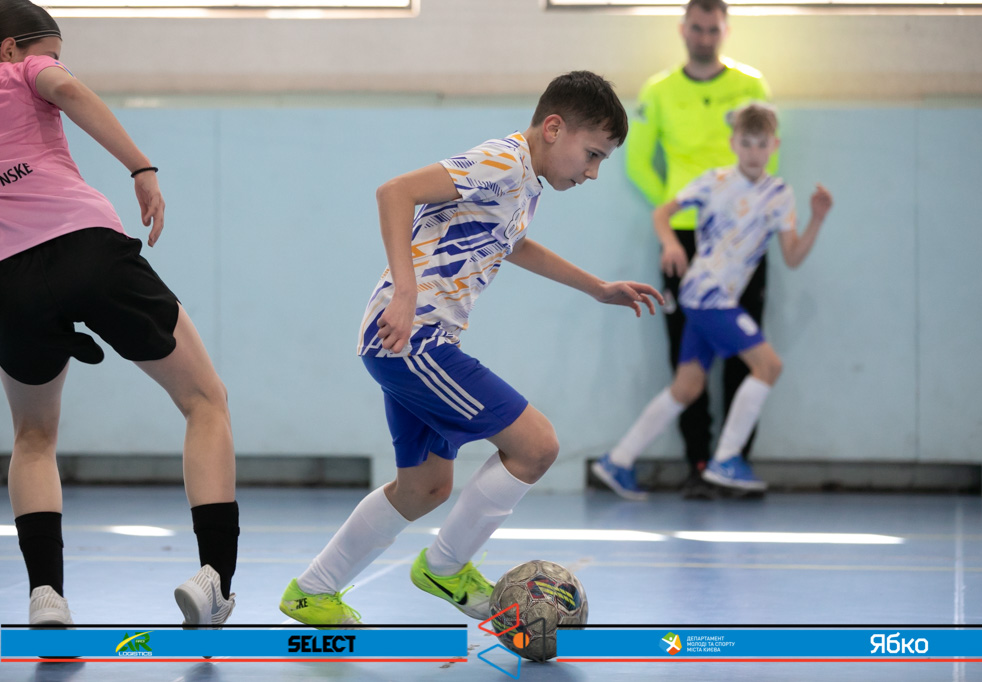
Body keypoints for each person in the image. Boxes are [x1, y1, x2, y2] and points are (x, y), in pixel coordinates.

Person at [279, 71, 663, 625]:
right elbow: (395, 192)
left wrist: (597, 288)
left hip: (409, 345)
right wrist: (406, 292)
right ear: (554, 128)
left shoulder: (522, 181)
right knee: (537, 446)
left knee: (425, 487)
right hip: (417, 341)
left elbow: (515, 245)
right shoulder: (504, 161)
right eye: (593, 154)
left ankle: (311, 591)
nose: (593, 172)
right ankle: (446, 567)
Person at [1, 0, 239, 627]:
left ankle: (45, 594)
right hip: (87, 249)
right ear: (9, 48)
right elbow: (68, 90)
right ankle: (215, 578)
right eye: (49, 53)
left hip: (8, 281)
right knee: (205, 400)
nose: (55, 63)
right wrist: (141, 166)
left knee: (32, 438)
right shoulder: (23, 71)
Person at [595, 103, 832, 497]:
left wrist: (817, 219)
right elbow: (662, 213)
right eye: (747, 143)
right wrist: (671, 243)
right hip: (707, 295)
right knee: (769, 366)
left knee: (686, 387)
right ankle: (726, 459)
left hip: (718, 299)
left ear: (774, 146)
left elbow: (792, 257)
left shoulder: (779, 194)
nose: (754, 152)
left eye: (761, 144)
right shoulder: (713, 181)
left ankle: (617, 461)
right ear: (733, 143)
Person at [611, 0, 775, 499]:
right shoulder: (659, 90)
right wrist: (675, 212)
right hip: (684, 236)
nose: (705, 37)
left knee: (746, 353)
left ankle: (733, 462)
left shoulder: (750, 84)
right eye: (697, 29)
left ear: (726, 30)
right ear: (684, 30)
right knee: (687, 357)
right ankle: (699, 463)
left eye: (713, 29)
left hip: (741, 238)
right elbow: (638, 162)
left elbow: (766, 152)